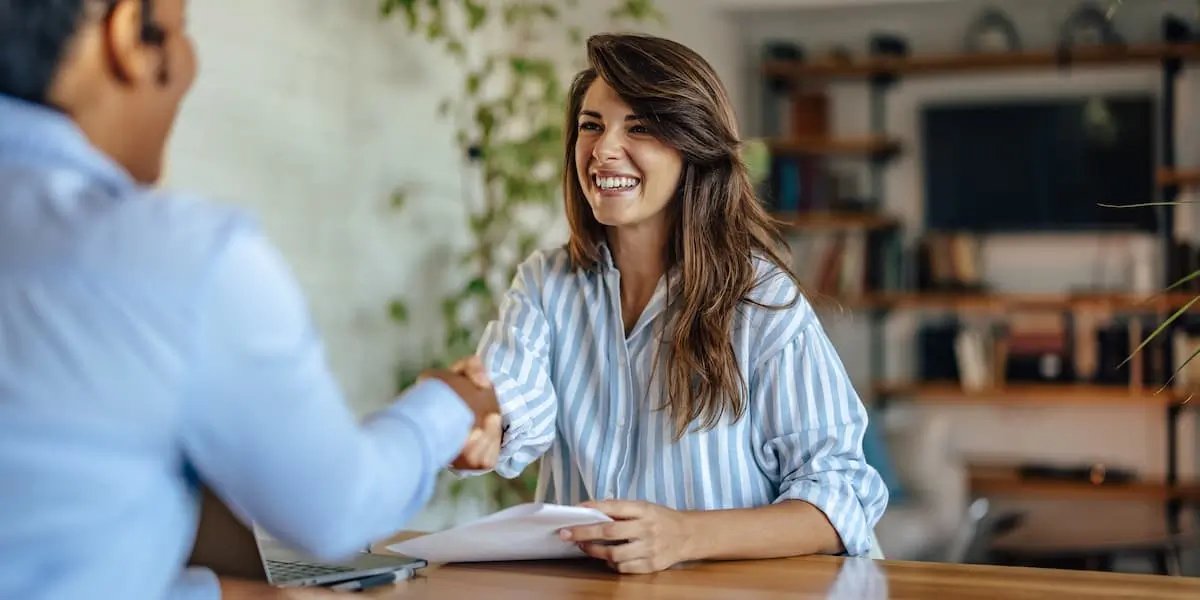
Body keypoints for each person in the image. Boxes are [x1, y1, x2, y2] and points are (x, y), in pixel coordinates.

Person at [0, 1, 500, 599]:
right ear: (131, 34)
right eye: (184, 30)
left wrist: (226, 593)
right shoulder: (182, 258)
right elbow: (337, 509)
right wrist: (451, 403)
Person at [451, 33, 888, 574]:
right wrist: (468, 421)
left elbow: (842, 499)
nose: (604, 148)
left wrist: (684, 535)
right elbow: (508, 394)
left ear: (693, 146)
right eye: (592, 125)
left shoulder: (761, 299)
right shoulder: (546, 282)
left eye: (639, 126)